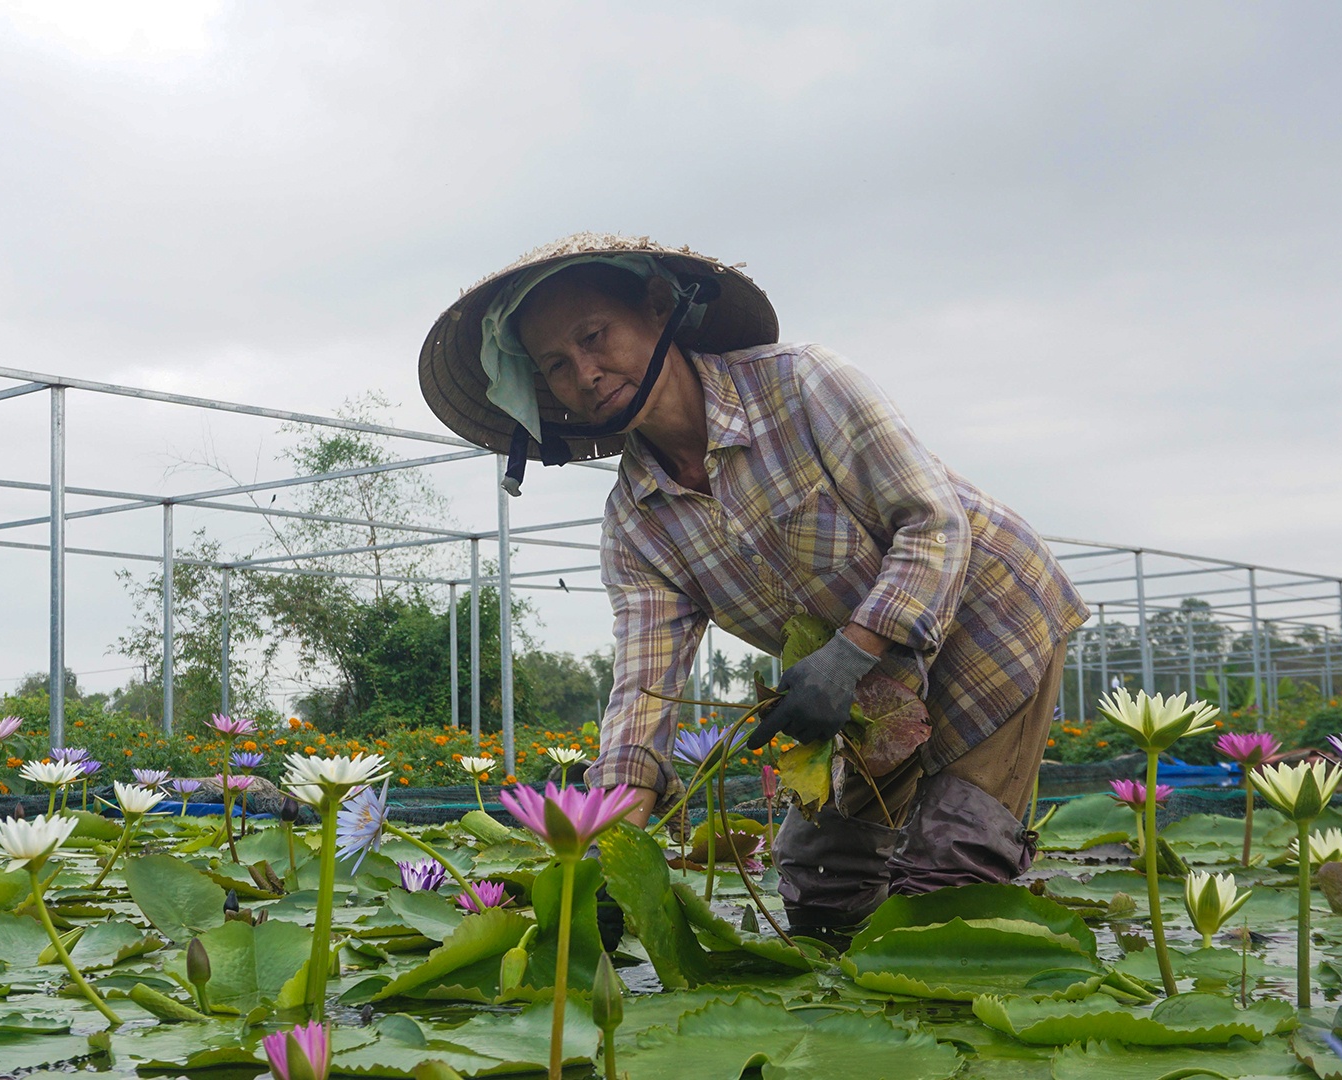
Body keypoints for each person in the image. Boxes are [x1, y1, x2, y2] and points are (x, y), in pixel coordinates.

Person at [417, 234, 1087, 938]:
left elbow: (935, 525)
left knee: (951, 867)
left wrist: (851, 650)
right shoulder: (636, 526)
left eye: (595, 336)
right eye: (556, 364)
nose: (584, 372)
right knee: (826, 889)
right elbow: (644, 695)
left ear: (656, 307)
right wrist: (606, 859)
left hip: (990, 617)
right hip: (868, 685)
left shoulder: (803, 384)